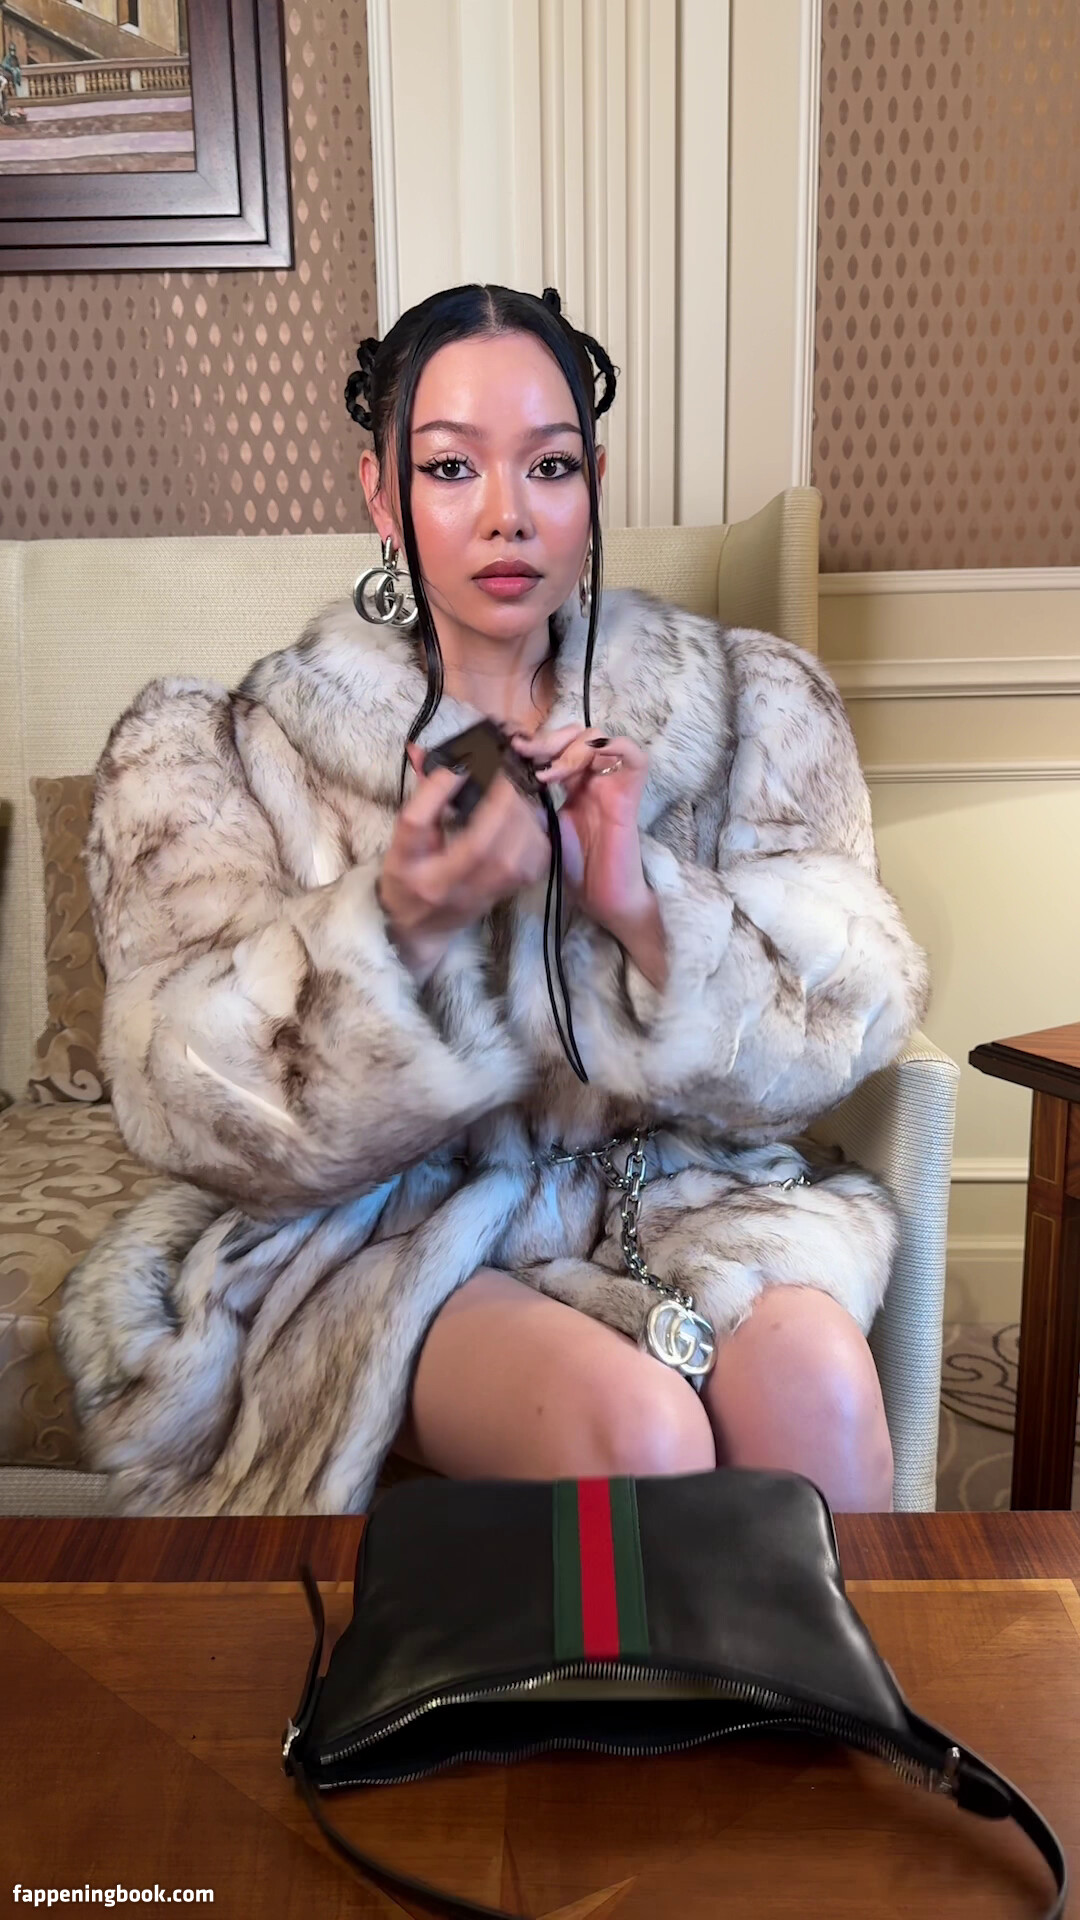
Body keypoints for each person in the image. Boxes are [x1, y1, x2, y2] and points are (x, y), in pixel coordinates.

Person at [56, 282, 930, 1518]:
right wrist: (399, 923)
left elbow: (847, 1022)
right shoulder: (222, 752)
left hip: (677, 1188)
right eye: (452, 467)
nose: (508, 513)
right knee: (637, 1432)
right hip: (388, 1224)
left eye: (551, 466)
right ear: (382, 495)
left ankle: (826, 1666)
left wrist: (639, 900)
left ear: (594, 485)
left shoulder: (750, 706)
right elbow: (181, 1093)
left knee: (820, 1394)